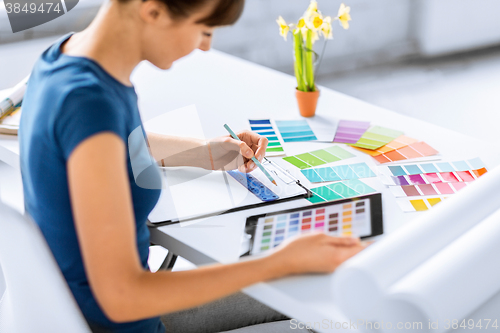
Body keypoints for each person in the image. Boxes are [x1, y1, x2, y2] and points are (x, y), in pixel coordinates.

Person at [19, 0, 367, 332]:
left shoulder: (68, 59)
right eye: (204, 29)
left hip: (84, 314)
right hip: (124, 319)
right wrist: (280, 262)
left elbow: (115, 145)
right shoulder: (90, 104)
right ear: (153, 10)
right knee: (333, 307)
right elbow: (122, 298)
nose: (205, 46)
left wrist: (207, 153)